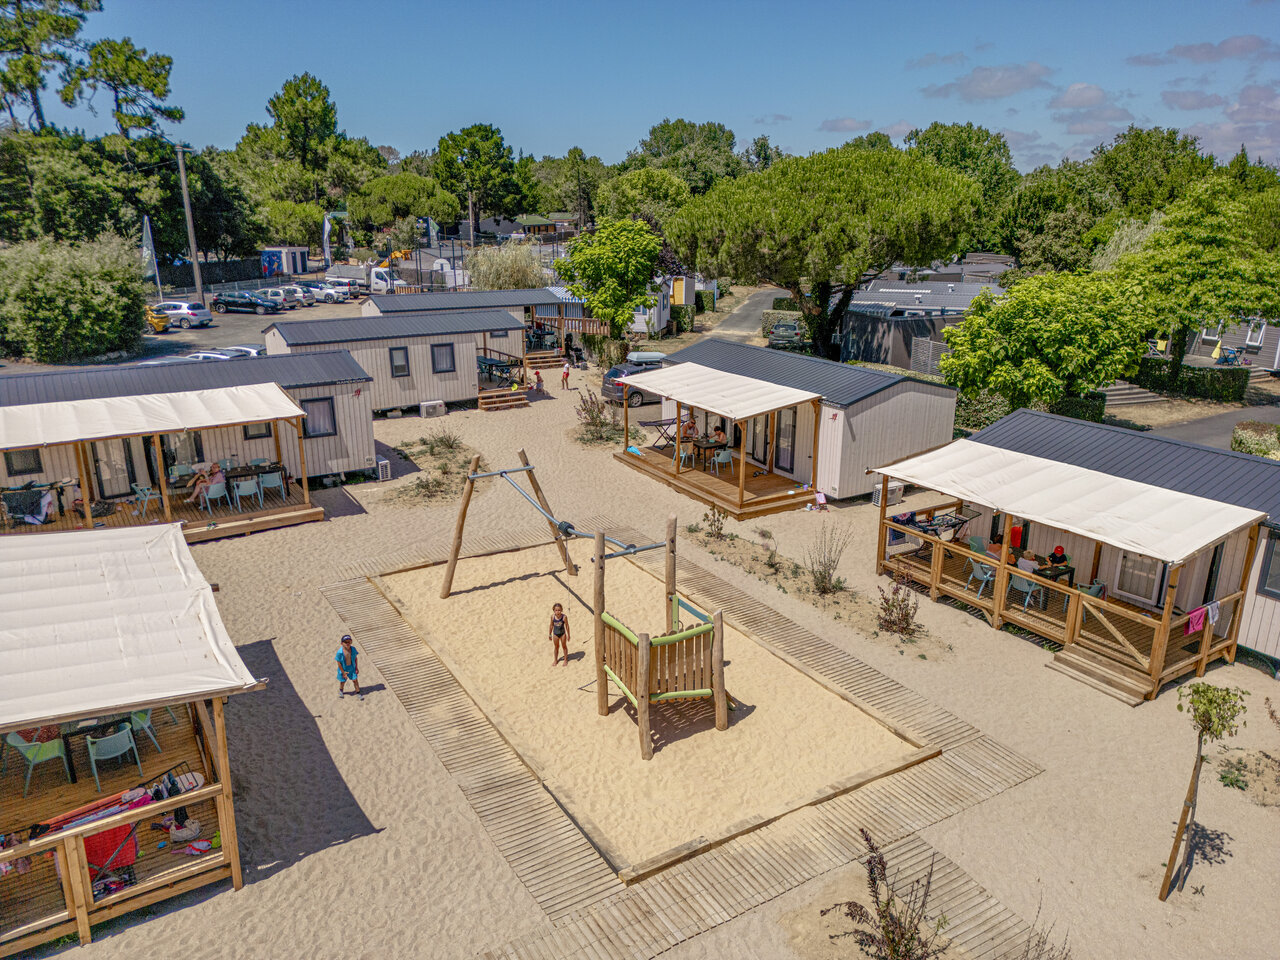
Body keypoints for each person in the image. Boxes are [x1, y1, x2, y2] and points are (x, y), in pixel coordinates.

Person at [336, 634, 362, 699]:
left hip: (352, 667)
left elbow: (355, 658)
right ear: (342, 643)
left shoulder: (353, 649)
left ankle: (358, 692)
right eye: (345, 642)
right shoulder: (339, 652)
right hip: (343, 669)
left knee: (355, 680)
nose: (347, 643)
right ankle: (341, 691)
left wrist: (356, 668)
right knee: (342, 681)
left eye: (349, 642)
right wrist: (343, 672)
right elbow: (338, 663)